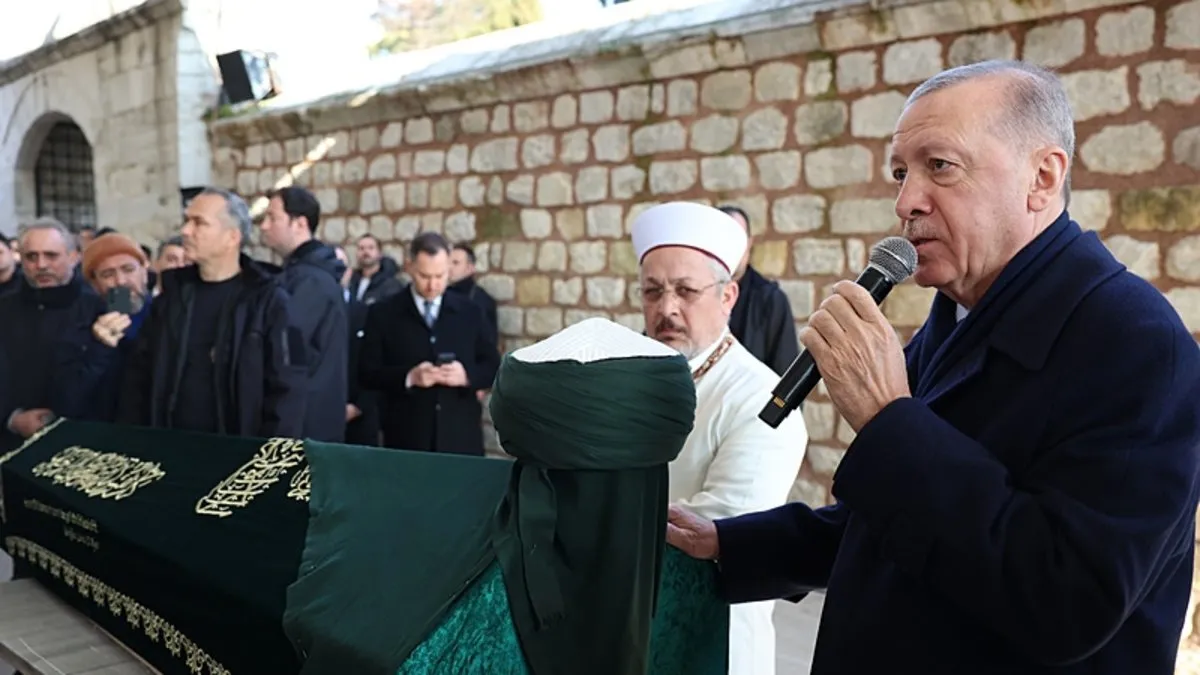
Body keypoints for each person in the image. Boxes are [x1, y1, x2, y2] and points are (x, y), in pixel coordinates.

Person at [666, 60, 1200, 674]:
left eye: (940, 166)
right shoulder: (959, 316)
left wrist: (887, 419)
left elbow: (1069, 598)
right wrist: (731, 543)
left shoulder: (1136, 344)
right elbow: (888, 523)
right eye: (901, 173)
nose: (906, 202)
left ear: (1042, 177)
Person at [631, 201, 807, 675]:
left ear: (728, 296)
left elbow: (718, 527)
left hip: (711, 636)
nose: (666, 308)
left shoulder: (762, 402)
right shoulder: (627, 378)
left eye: (686, 291)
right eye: (652, 291)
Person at [117, 188, 307, 438]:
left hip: (239, 451)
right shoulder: (171, 298)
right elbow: (139, 377)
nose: (186, 231)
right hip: (169, 447)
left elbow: (288, 389)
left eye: (199, 223)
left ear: (232, 237)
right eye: (186, 221)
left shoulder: (270, 301)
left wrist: (268, 456)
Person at [359, 232, 500, 455]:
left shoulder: (471, 311)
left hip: (460, 439)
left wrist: (466, 376)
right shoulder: (383, 313)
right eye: (424, 276)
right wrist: (409, 377)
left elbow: (493, 366)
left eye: (440, 276)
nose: (432, 285)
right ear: (410, 267)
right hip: (406, 440)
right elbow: (367, 372)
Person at [0, 218, 111, 451]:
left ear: (74, 257)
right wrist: (12, 418)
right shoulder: (4, 308)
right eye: (31, 257)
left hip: (84, 442)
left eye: (51, 256)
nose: (41, 265)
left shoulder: (98, 309)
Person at [260, 186, 349, 442]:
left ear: (299, 223)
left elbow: (286, 351)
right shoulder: (301, 274)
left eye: (272, 218)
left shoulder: (310, 281)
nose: (264, 226)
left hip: (303, 426)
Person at [717, 205, 800, 376]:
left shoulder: (771, 301)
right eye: (723, 237)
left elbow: (786, 375)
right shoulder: (692, 297)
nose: (731, 246)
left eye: (737, 238)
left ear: (749, 242)